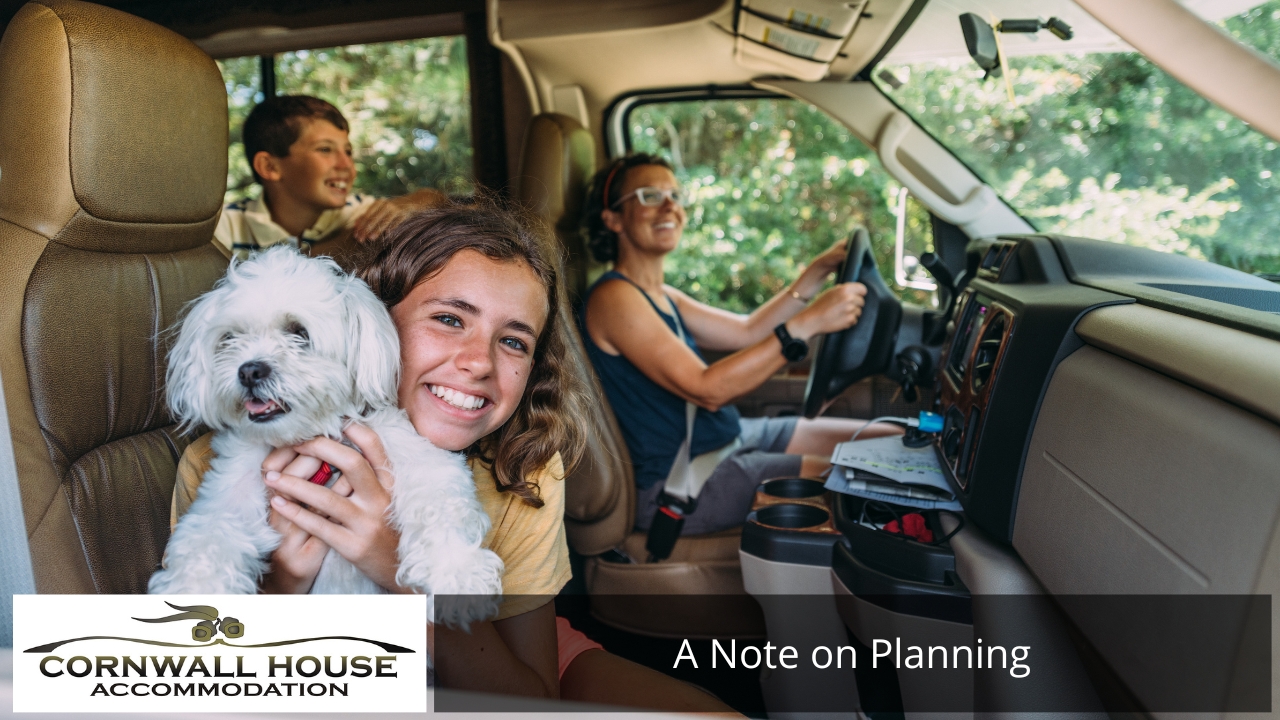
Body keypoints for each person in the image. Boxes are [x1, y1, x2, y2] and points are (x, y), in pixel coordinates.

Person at [170, 200, 737, 713]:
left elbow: (528, 696)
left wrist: (397, 572)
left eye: (513, 341)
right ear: (374, 321)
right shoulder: (226, 458)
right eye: (448, 319)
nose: (479, 362)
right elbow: (208, 678)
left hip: (499, 642)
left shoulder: (526, 465)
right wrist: (284, 584)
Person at [580, 153, 900, 537]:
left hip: (728, 438)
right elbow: (708, 389)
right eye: (649, 195)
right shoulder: (614, 298)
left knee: (887, 440)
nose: (670, 206)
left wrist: (815, 273)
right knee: (858, 474)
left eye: (675, 195)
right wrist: (809, 322)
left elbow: (749, 330)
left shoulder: (660, 294)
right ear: (612, 218)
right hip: (683, 479)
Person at [214, 95, 446, 260]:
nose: (347, 166)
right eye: (325, 150)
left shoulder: (359, 213)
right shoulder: (225, 227)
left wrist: (415, 201)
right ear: (269, 166)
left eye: (348, 151)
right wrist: (346, 244)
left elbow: (437, 202)